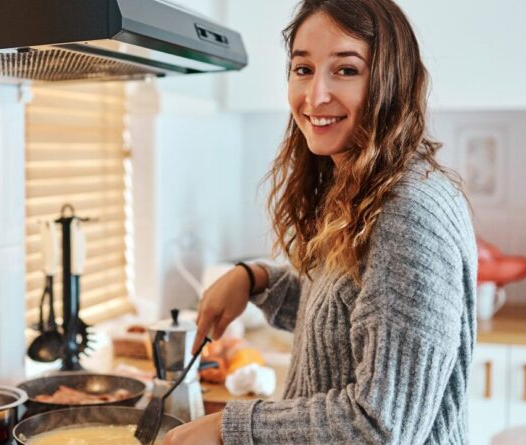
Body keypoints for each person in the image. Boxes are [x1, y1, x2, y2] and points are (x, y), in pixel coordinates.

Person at [163, 0, 477, 443]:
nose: (315, 96)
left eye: (346, 70)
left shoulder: (408, 212)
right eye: (303, 69)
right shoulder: (362, 186)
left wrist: (229, 427)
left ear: (392, 79)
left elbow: (379, 427)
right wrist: (255, 280)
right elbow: (346, 319)